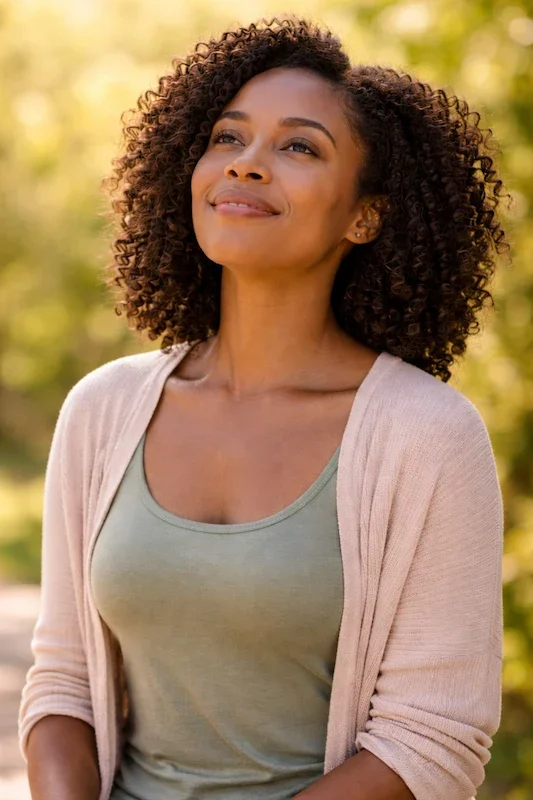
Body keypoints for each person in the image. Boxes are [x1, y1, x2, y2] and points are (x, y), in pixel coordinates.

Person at [19, 16, 507, 800]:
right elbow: (64, 681)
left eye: (298, 147)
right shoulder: (104, 410)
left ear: (364, 215)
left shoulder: (426, 436)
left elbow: (430, 739)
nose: (246, 166)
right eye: (227, 138)